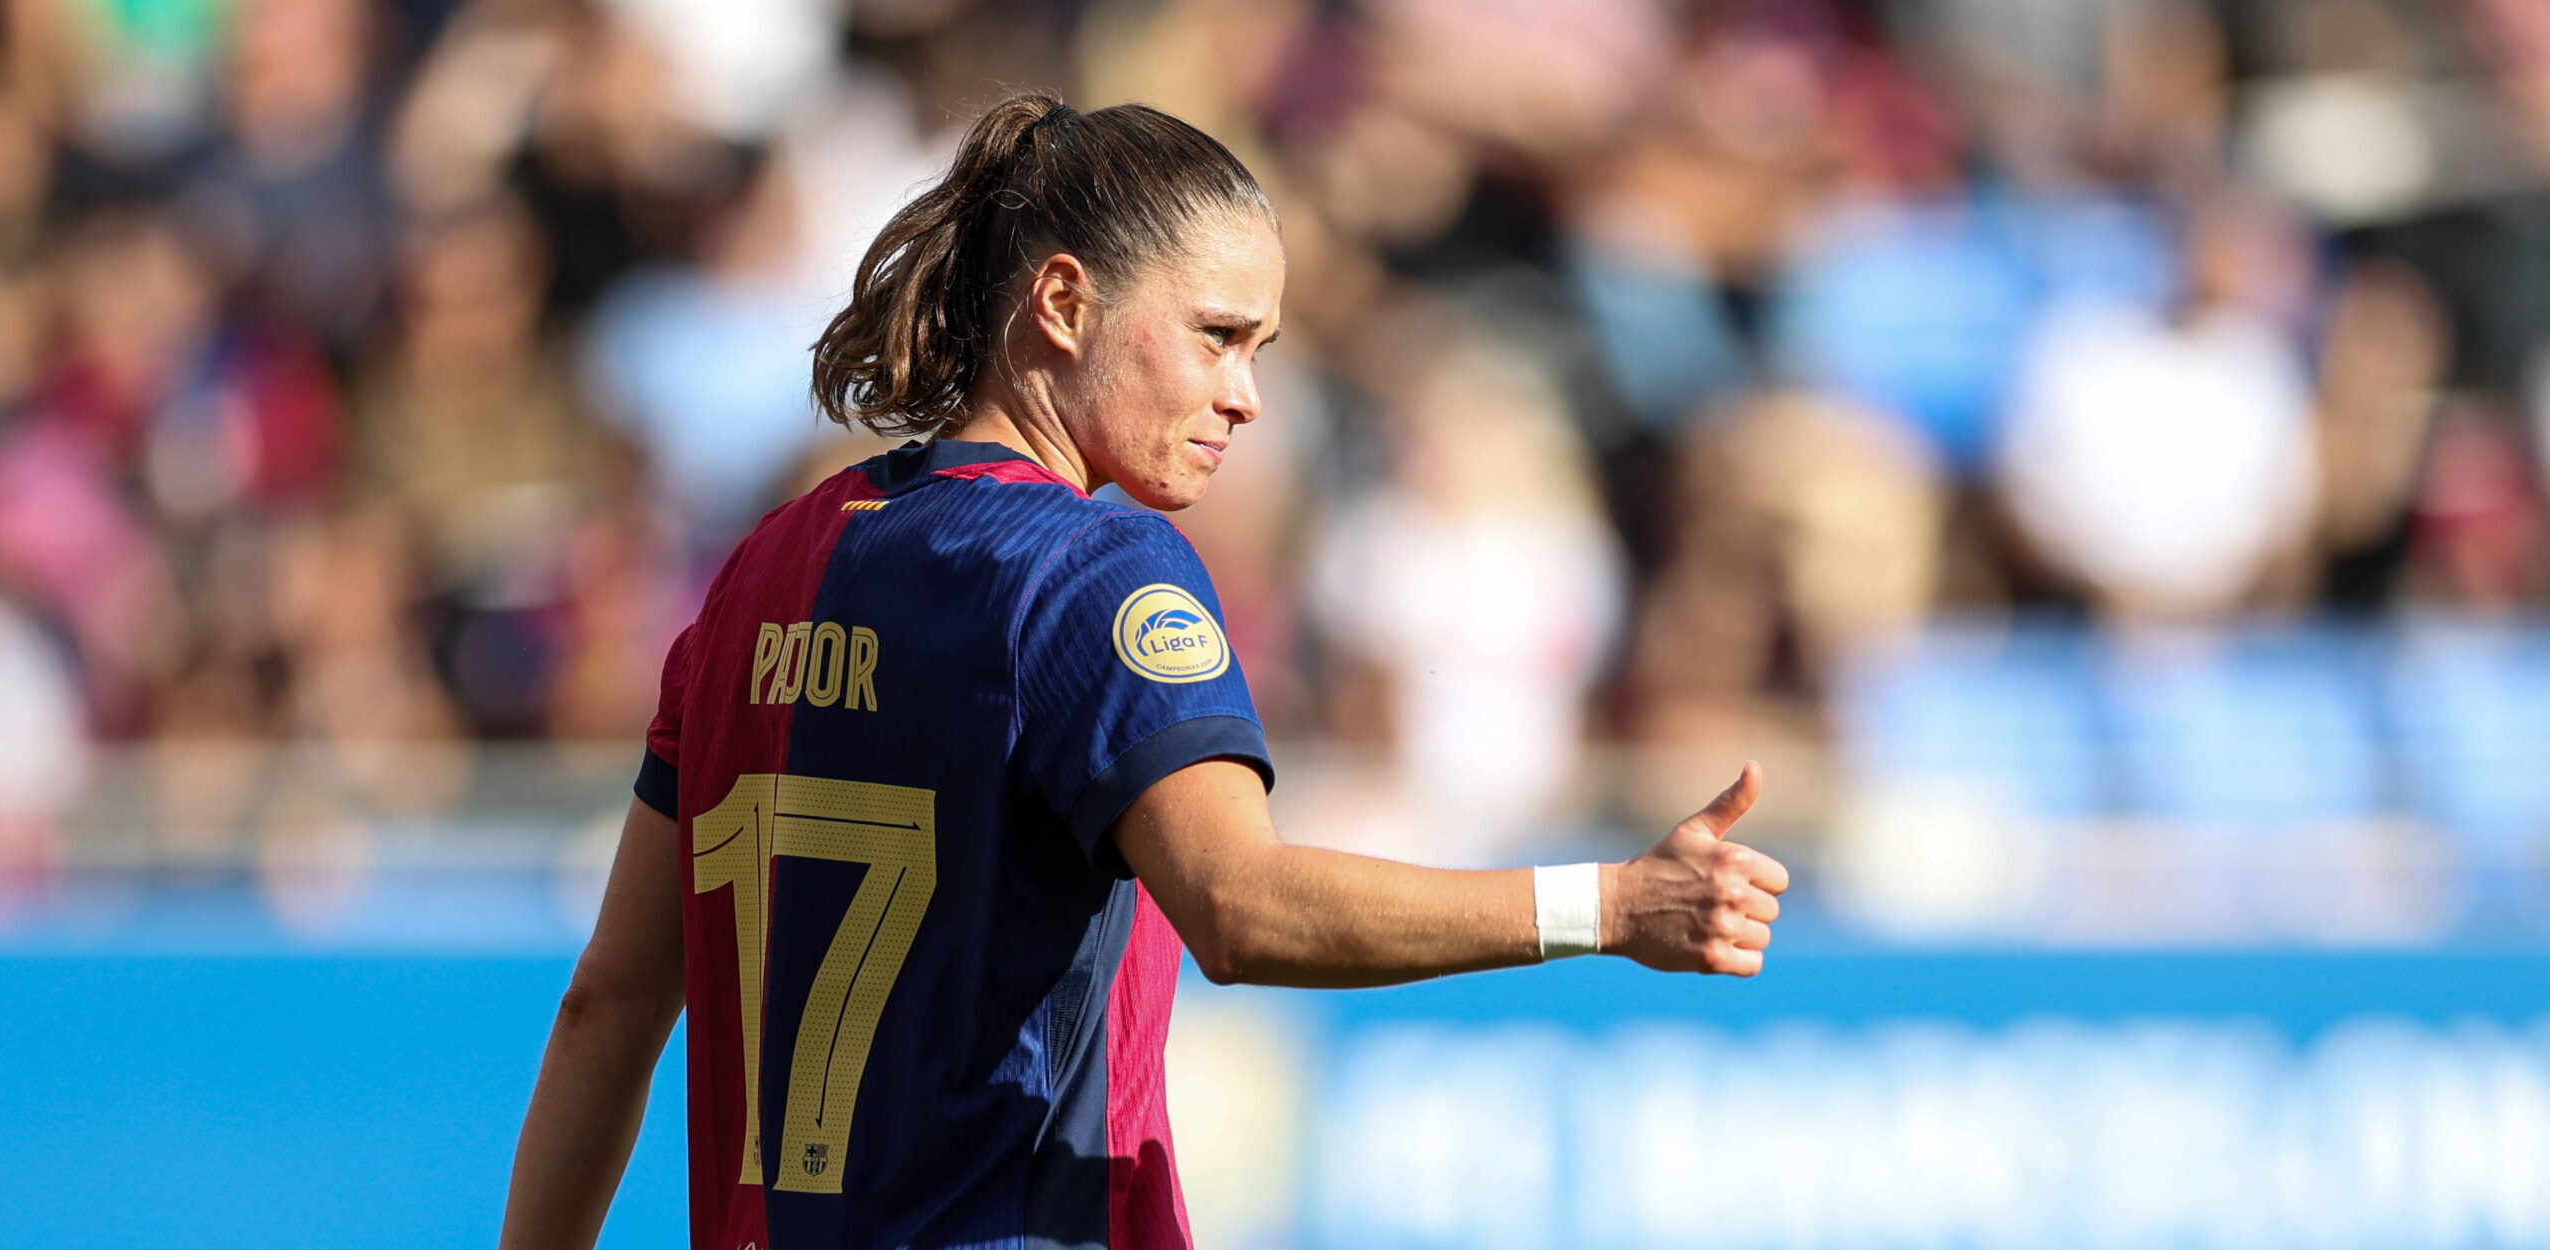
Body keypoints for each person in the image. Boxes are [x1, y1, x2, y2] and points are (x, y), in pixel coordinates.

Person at [498, 93, 1787, 1250]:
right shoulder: (1095, 569)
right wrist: (1611, 907)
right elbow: (1240, 905)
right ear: (1063, 304)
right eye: (1218, 336)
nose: (1247, 398)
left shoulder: (764, 568)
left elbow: (610, 1001)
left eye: (1262, 351)